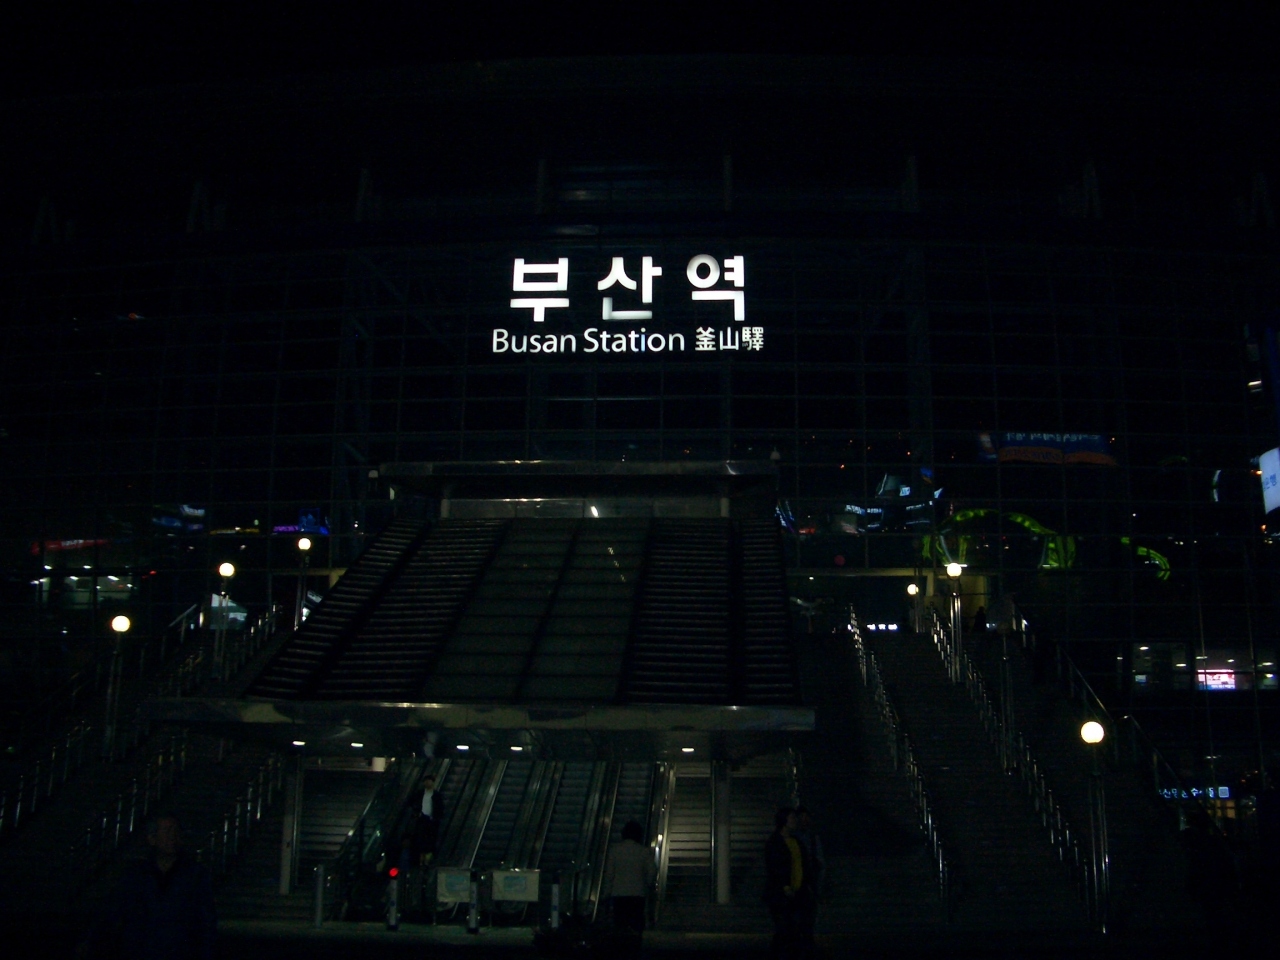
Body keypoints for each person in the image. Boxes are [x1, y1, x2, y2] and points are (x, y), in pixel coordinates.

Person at [82, 813, 216, 960]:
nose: (172, 837)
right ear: (152, 838)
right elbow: (115, 910)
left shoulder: (195, 875)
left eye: (175, 831)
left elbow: (205, 919)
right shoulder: (136, 875)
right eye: (167, 831)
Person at [763, 807, 813, 960]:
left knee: (791, 930)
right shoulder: (775, 843)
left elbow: (803, 865)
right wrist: (784, 886)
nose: (795, 821)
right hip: (782, 893)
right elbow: (774, 867)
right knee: (785, 929)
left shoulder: (796, 841)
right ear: (783, 821)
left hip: (797, 891)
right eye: (792, 818)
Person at [601, 820, 655, 953]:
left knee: (620, 925)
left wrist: (606, 893)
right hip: (638, 894)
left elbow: (609, 875)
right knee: (635, 925)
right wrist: (648, 884)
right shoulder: (644, 851)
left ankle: (621, 950)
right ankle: (634, 950)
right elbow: (652, 872)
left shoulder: (615, 851)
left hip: (619, 894)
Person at [792, 806, 824, 944]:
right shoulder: (802, 838)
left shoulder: (811, 838)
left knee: (807, 914)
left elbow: (819, 862)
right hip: (800, 880)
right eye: (802, 818)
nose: (804, 821)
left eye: (806, 818)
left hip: (807, 880)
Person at [411, 773, 444, 866]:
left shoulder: (436, 795)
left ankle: (427, 859)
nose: (428, 783)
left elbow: (440, 807)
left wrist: (436, 817)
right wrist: (416, 813)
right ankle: (421, 859)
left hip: (432, 820)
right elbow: (412, 802)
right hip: (421, 818)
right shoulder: (420, 794)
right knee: (421, 839)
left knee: (430, 839)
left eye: (430, 781)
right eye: (426, 781)